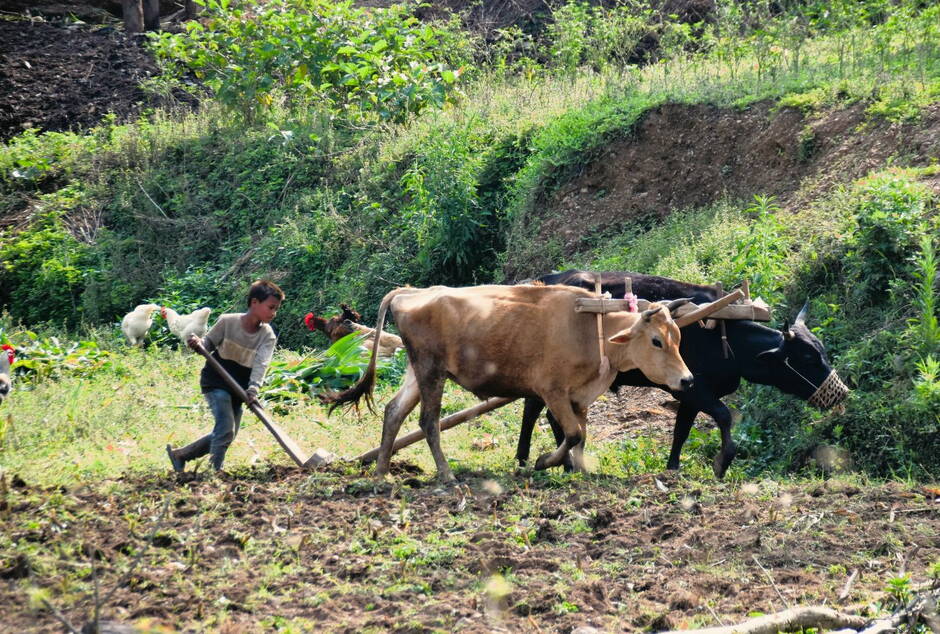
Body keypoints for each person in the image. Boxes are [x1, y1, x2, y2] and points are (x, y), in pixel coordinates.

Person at [166, 279, 285, 473]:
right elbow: (207, 345)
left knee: (227, 434)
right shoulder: (228, 321)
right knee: (225, 429)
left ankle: (181, 455)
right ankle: (215, 471)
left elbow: (261, 364)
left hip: (239, 388)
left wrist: (253, 389)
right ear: (254, 303)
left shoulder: (267, 335)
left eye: (276, 309)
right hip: (216, 381)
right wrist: (197, 344)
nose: (273, 313)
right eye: (270, 307)